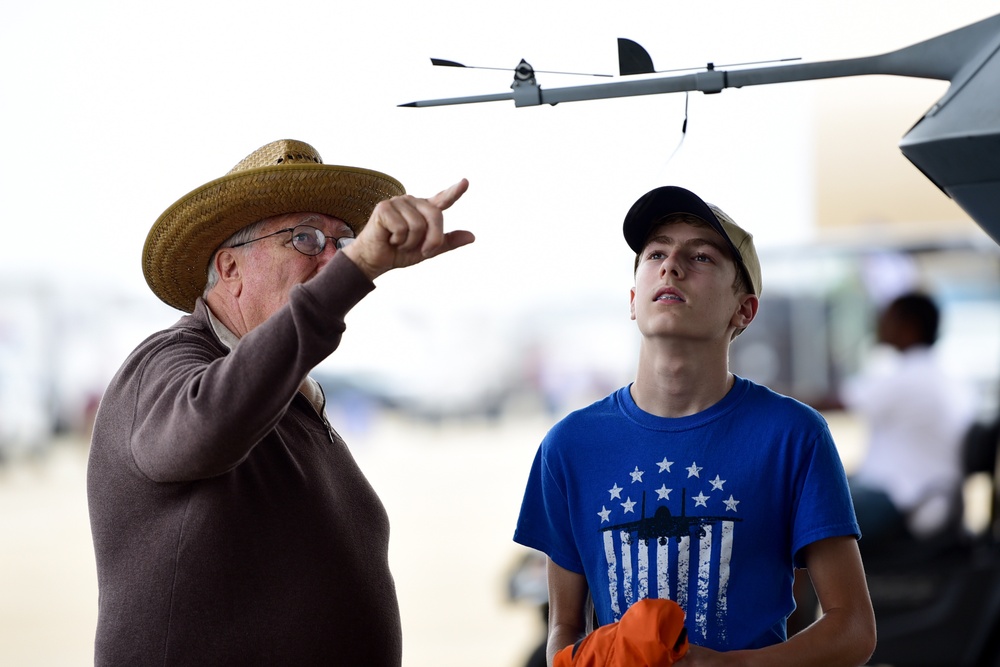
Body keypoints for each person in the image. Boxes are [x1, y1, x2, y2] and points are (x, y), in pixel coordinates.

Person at [86, 138, 474, 666]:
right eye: (307, 239)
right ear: (229, 268)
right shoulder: (164, 363)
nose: (334, 257)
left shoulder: (286, 391)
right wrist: (357, 268)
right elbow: (208, 425)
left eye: (343, 241)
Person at [513, 186, 876, 666]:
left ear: (743, 309)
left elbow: (852, 628)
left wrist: (728, 666)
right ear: (633, 299)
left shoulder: (793, 435)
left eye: (701, 256)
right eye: (656, 253)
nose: (671, 266)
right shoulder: (569, 445)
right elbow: (563, 627)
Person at [842, 291, 976, 554]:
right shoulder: (942, 375)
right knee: (817, 490)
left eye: (888, 317)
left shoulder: (909, 376)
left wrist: (764, 396)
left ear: (909, 327)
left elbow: (836, 402)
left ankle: (792, 596)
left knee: (801, 509)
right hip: (925, 496)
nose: (879, 323)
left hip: (907, 500)